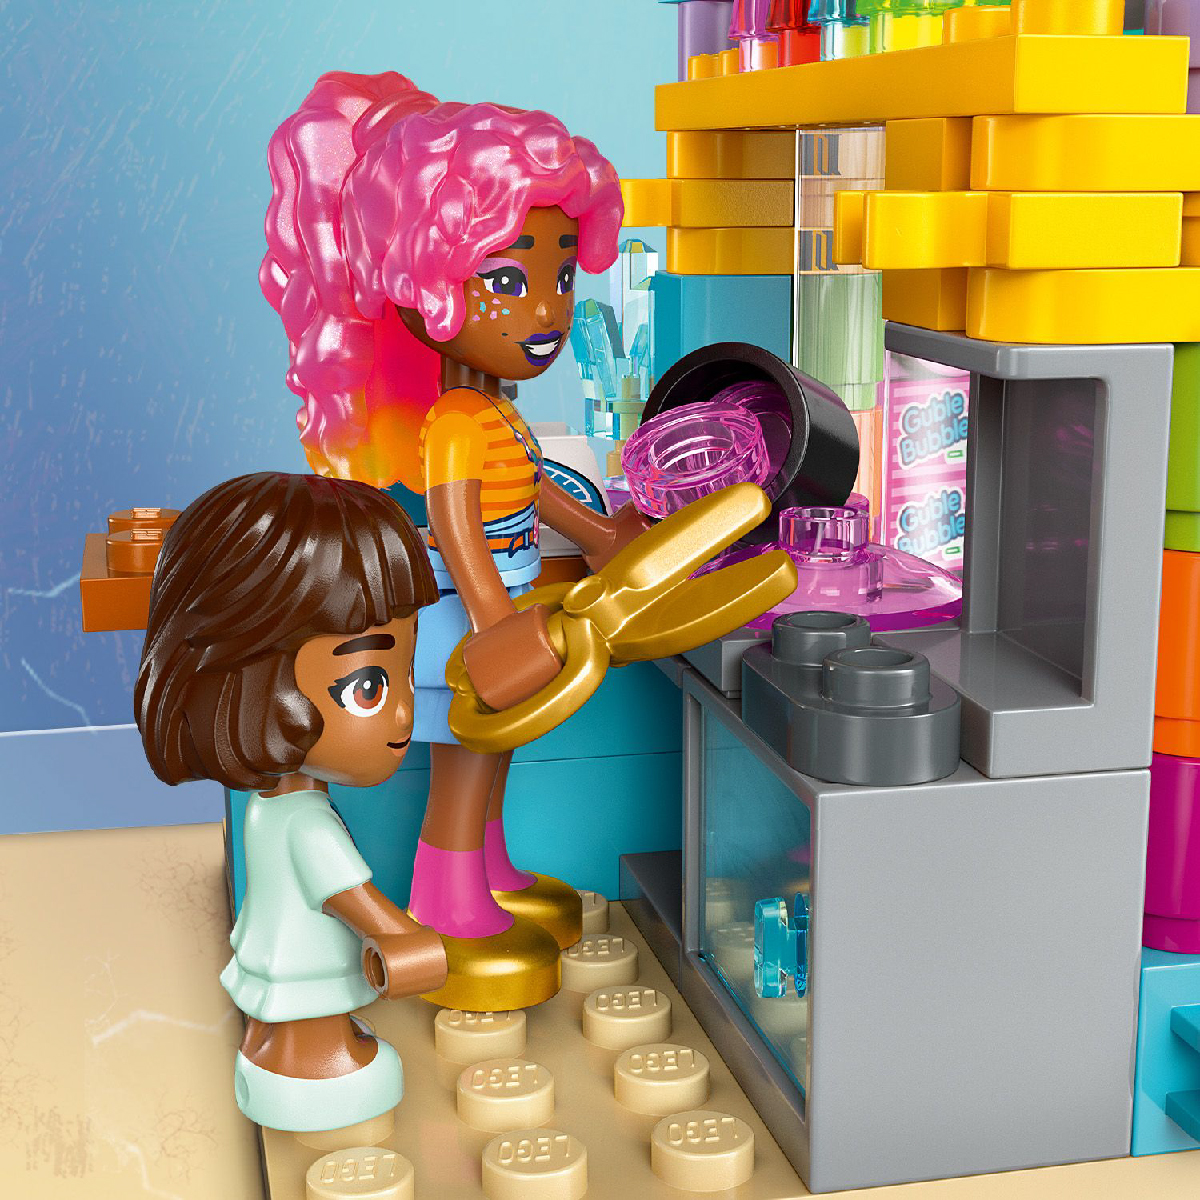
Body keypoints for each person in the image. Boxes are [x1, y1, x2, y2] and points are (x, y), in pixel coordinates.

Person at [261, 71, 648, 1009]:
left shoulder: (494, 412)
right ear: (431, 288)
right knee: (469, 756)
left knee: (495, 749)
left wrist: (601, 534)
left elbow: (535, 490)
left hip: (496, 605)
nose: (547, 312)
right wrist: (491, 619)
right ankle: (446, 898)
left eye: (561, 277)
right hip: (459, 619)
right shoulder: (451, 423)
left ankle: (493, 871)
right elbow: (457, 524)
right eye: (507, 281)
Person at [135, 472, 447, 1133]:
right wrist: (403, 936)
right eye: (368, 685)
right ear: (257, 686)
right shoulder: (306, 821)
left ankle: (267, 1048)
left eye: (407, 672)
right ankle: (316, 1068)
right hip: (305, 956)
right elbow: (349, 896)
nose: (403, 711)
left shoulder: (268, 803)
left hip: (275, 942)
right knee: (314, 1022)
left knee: (282, 1015)